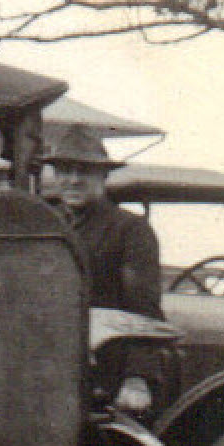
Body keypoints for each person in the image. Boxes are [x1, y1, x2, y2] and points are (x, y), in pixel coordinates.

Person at [42, 126, 164, 317]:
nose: (74, 180)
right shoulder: (43, 223)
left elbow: (143, 309)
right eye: (65, 171)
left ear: (104, 175)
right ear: (55, 176)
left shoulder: (130, 229)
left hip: (107, 341)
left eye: (85, 171)